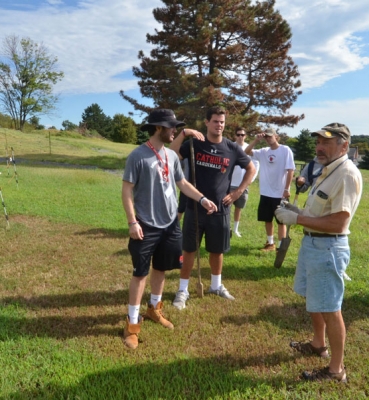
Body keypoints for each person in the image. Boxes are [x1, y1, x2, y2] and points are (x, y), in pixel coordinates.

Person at [122, 109, 217, 349]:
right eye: (171, 127)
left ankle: (154, 309)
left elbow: (182, 183)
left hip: (170, 224)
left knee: (162, 268)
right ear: (157, 128)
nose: (174, 130)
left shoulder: (171, 156)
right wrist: (132, 222)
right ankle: (132, 324)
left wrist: (202, 199)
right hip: (145, 225)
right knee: (140, 274)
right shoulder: (138, 156)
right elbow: (126, 191)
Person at [275, 123, 362, 382]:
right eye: (318, 142)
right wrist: (298, 211)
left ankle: (336, 370)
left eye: (327, 142)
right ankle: (318, 344)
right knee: (316, 300)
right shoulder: (326, 171)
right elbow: (321, 213)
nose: (319, 147)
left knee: (329, 307)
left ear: (344, 146)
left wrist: (296, 220)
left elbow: (338, 222)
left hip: (328, 247)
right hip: (314, 244)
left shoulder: (346, 173)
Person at [169, 106, 256, 310]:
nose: (219, 125)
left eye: (222, 122)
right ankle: (183, 290)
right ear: (207, 122)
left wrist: (238, 192)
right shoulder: (195, 144)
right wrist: (184, 133)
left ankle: (216, 286)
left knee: (217, 250)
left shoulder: (232, 148)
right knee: (189, 249)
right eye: (215, 121)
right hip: (194, 207)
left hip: (221, 208)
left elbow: (251, 168)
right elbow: (171, 154)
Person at [245, 128, 295, 251]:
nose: (268, 139)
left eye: (270, 136)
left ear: (275, 136)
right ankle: (270, 243)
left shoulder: (285, 150)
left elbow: (290, 170)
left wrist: (287, 188)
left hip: (279, 193)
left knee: (281, 221)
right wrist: (256, 140)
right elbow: (247, 151)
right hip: (265, 192)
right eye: (266, 137)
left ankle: (280, 246)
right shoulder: (263, 151)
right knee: (267, 219)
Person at [230, 127, 259, 237]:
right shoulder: (231, 146)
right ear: (235, 136)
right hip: (230, 183)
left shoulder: (249, 148)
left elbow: (256, 165)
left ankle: (236, 229)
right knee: (226, 207)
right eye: (238, 135)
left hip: (243, 184)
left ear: (245, 136)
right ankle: (226, 228)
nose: (240, 137)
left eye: (242, 135)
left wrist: (251, 179)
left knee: (239, 208)